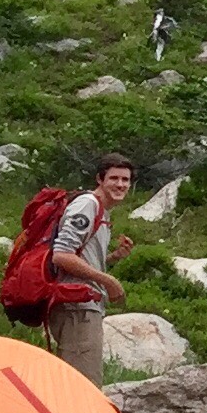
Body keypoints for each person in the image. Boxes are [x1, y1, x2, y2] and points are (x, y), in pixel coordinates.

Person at [46, 154, 134, 384]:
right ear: (99, 179)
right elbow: (62, 255)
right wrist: (108, 281)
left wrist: (113, 257)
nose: (120, 184)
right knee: (83, 385)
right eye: (114, 178)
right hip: (77, 306)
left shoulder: (102, 212)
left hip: (85, 305)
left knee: (77, 382)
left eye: (125, 180)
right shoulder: (88, 205)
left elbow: (81, 257)